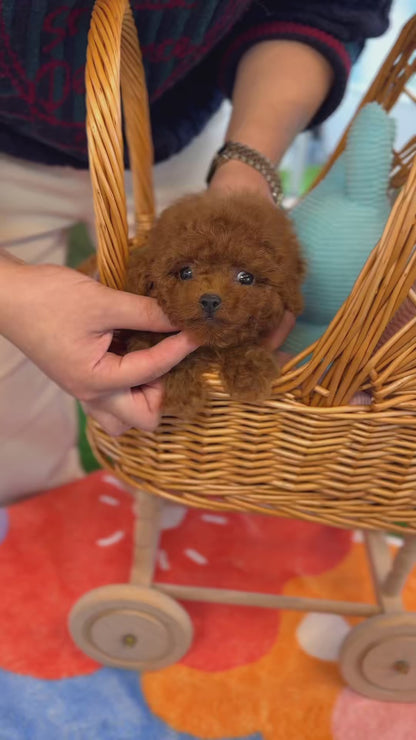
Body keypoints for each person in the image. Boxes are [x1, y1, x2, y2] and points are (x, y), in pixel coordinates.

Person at [0, 1, 392, 502]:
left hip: (184, 133)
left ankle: (176, 505)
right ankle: (41, 524)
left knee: (182, 414)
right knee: (14, 431)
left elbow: (321, 11)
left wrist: (246, 164)